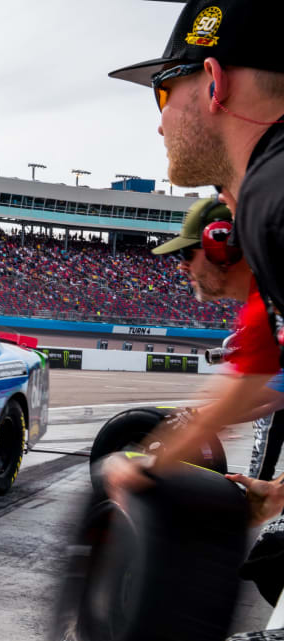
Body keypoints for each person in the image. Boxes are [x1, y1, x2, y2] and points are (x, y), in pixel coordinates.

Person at [105, 0, 284, 495]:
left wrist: (152, 463)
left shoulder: (271, 199)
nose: (161, 124)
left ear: (214, 80)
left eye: (163, 92)